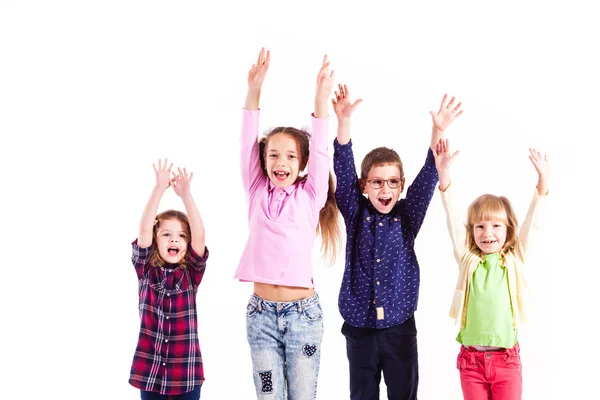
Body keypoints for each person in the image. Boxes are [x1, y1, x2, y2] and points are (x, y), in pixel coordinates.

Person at [333, 85, 464, 399]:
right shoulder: (355, 212)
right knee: (362, 394)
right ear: (365, 185)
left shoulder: (408, 216)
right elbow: (344, 166)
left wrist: (438, 129)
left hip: (399, 327)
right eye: (377, 182)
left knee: (404, 394)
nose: (385, 189)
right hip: (360, 327)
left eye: (393, 182)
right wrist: (344, 124)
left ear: (401, 185)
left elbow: (430, 174)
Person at [233, 48, 340, 400]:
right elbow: (247, 141)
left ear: (302, 163)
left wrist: (320, 101)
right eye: (273, 155)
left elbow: (323, 150)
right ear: (263, 160)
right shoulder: (256, 189)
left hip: (303, 319)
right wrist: (254, 92)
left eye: (291, 156)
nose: (281, 162)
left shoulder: (311, 196)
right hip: (261, 317)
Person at [433, 138, 550, 399]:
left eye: (496, 226)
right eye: (480, 227)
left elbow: (534, 223)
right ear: (472, 231)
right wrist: (444, 173)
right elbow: (452, 215)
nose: (488, 233)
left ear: (508, 230)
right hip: (471, 362)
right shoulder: (468, 258)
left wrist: (542, 183)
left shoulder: (514, 259)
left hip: (506, 361)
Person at [129, 159, 208, 400]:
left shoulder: (191, 274)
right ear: (156, 240)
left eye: (181, 236)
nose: (174, 240)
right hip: (150, 371)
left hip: (186, 372)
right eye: (166, 234)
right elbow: (144, 229)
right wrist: (159, 188)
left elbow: (200, 234)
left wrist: (185, 195)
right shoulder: (145, 270)